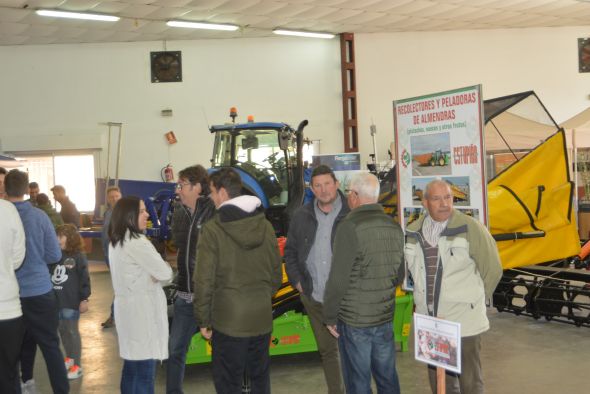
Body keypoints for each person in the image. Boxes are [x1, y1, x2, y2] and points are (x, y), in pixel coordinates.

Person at [404, 179, 503, 394]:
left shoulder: (470, 228)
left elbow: (493, 269)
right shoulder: (412, 232)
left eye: (448, 197)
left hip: (464, 320)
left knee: (470, 381)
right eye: (437, 199)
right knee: (439, 381)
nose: (444, 204)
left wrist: (473, 301)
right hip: (430, 321)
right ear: (425, 203)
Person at [193, 168, 282, 394]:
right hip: (261, 318)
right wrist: (261, 296)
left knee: (228, 383)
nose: (211, 198)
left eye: (212, 192)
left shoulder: (213, 230)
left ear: (222, 192)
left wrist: (204, 319)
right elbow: (276, 276)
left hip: (228, 321)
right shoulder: (266, 225)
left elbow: (204, 280)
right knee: (260, 379)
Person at [323, 172, 404, 394]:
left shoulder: (349, 227)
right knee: (387, 377)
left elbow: (338, 280)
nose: (348, 196)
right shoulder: (394, 226)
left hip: (354, 321)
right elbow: (400, 276)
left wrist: (329, 316)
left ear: (356, 196)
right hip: (384, 317)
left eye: (349, 192)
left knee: (358, 381)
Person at [284, 164, 349, 394]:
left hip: (347, 299)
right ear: (311, 188)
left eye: (327, 184)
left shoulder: (350, 213)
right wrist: (298, 282)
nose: (323, 190)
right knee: (328, 352)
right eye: (318, 185)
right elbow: (290, 252)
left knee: (353, 350)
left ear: (337, 184)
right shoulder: (302, 215)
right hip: (315, 298)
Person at [5, 169, 69, 394]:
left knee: (16, 348)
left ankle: (26, 384)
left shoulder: (3, 217)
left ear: (5, 188)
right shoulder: (39, 216)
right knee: (51, 346)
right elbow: (54, 255)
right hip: (40, 292)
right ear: (26, 190)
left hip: (11, 297)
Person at [109, 196, 173, 394]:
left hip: (128, 311)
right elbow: (166, 274)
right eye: (143, 211)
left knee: (131, 367)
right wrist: (156, 274)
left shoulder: (117, 240)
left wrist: (151, 275)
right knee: (144, 372)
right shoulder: (138, 243)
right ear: (129, 216)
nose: (147, 214)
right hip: (141, 314)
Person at [167, 165, 215, 394]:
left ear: (197, 186)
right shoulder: (179, 212)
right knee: (175, 351)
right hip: (185, 296)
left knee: (224, 353)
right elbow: (180, 248)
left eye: (182, 185)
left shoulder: (214, 211)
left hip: (210, 298)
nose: (178, 190)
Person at [50, 224, 91, 380]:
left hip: (71, 302)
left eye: (61, 236)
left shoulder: (78, 256)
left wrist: (84, 299)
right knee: (62, 331)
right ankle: (70, 358)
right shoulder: (54, 255)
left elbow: (84, 279)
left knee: (72, 332)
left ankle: (77, 365)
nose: (57, 239)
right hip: (56, 302)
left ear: (71, 238)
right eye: (56, 236)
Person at [0, 198, 26, 393]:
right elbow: (17, 257)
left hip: (8, 307)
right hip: (8, 309)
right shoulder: (8, 210)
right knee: (9, 373)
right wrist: (5, 269)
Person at [100, 186, 122, 328]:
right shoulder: (108, 213)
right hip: (109, 256)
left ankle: (114, 316)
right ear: (108, 199)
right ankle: (116, 316)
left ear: (120, 196)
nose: (114, 199)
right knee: (119, 287)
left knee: (120, 287)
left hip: (120, 258)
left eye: (116, 196)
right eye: (111, 197)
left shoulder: (125, 213)